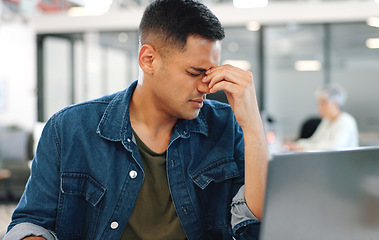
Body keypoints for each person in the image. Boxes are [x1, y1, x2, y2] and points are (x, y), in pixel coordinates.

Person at [4, 0, 268, 239]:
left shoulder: (225, 125)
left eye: (211, 73)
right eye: (195, 72)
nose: (207, 87)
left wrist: (253, 126)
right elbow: (31, 223)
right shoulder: (69, 129)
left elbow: (251, 228)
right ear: (148, 60)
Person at [286, 83, 358, 151]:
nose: (319, 107)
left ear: (335, 104)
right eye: (319, 103)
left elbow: (334, 148)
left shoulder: (345, 121)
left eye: (323, 104)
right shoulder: (327, 120)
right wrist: (296, 145)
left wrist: (302, 148)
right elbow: (314, 141)